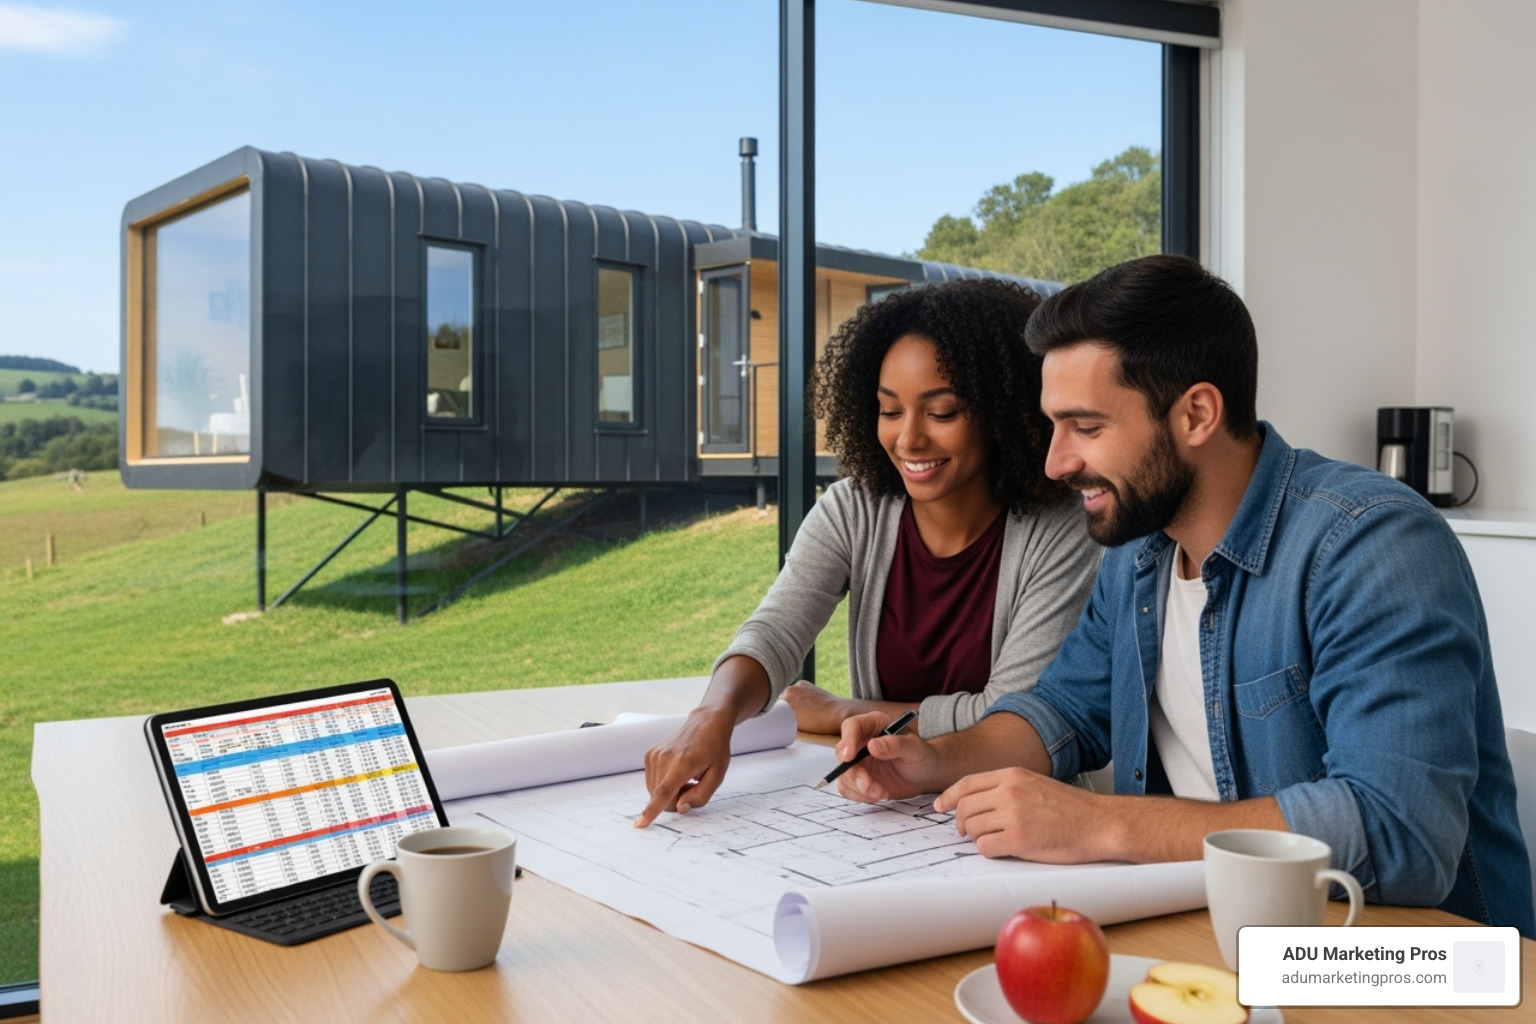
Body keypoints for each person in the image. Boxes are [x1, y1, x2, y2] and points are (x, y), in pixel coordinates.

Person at [832, 254, 1535, 936]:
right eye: (1054, 427)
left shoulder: (1372, 546)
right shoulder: (1139, 552)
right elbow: (1065, 712)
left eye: (1086, 427)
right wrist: (936, 758)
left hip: (1410, 970)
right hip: (1217, 935)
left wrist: (1098, 823)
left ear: (1197, 414)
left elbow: (1400, 832)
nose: (1056, 462)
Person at [635, 277, 1101, 828]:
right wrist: (712, 716)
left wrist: (848, 712)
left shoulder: (1063, 530)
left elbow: (1012, 715)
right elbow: (775, 632)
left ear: (1004, 412)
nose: (908, 439)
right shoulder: (855, 508)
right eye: (889, 410)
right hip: (890, 812)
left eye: (942, 412)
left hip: (1019, 817)